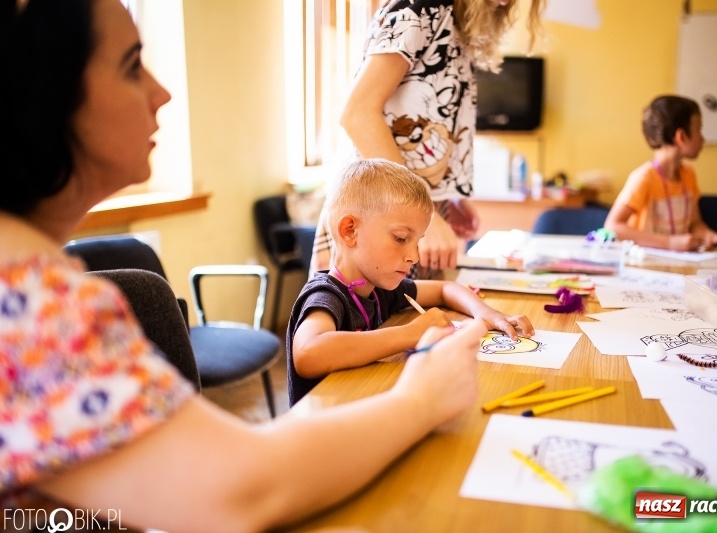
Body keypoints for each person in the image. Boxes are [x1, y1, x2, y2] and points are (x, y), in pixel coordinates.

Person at [0, 1, 487, 531]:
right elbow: (238, 489)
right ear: (39, 91)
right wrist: (422, 398)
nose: (162, 93)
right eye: (131, 64)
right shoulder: (26, 300)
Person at [310, 0, 546, 279]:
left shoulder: (454, 21)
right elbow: (357, 114)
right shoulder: (422, 7)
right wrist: (426, 212)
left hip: (411, 207)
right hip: (382, 211)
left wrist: (449, 195)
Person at [288, 159, 535, 405]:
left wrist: (487, 314)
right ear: (350, 230)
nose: (414, 257)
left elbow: (445, 289)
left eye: (417, 242)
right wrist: (411, 333)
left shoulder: (377, 288)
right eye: (400, 238)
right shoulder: (326, 296)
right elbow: (308, 353)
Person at [604, 95, 717, 252]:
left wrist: (711, 236)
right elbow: (613, 226)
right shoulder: (644, 178)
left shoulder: (688, 175)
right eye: (699, 130)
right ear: (681, 137)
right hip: (646, 263)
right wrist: (669, 242)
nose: (703, 139)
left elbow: (695, 224)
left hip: (679, 263)